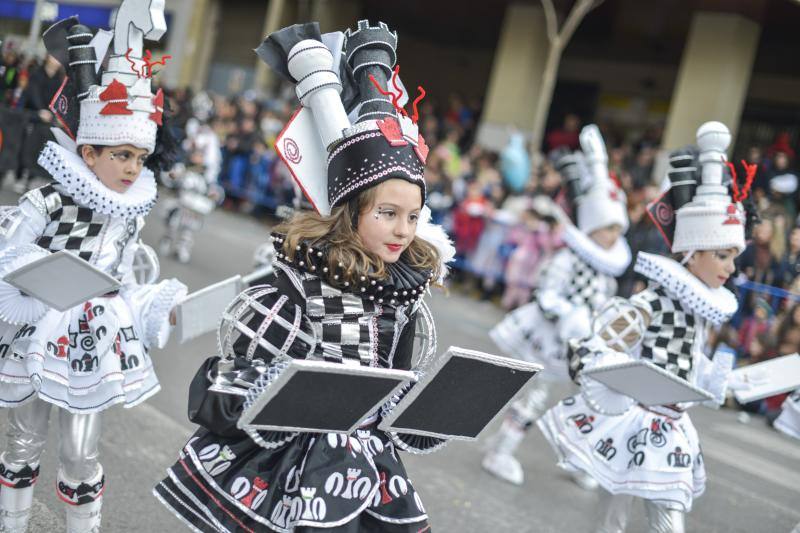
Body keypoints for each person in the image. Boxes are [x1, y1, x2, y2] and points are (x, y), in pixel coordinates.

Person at [154, 20, 456, 532]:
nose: (402, 230)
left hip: (363, 464)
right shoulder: (293, 287)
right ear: (349, 212)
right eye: (386, 213)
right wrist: (287, 392)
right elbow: (234, 383)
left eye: (412, 216)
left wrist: (436, 407)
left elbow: (393, 389)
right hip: (287, 463)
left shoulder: (403, 295)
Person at [0, 9, 186, 532]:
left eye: (139, 158)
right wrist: (37, 283)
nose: (132, 168)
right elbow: (8, 263)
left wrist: (156, 308)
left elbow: (126, 279)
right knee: (23, 440)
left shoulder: (129, 212)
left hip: (92, 341)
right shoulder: (47, 203)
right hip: (35, 330)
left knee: (81, 452)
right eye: (122, 155)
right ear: (88, 151)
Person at [537, 121, 756, 532]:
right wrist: (618, 382)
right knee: (614, 516)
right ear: (693, 253)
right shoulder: (652, 302)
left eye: (732, 257)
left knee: (664, 517)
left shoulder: (699, 310)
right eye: (723, 256)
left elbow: (689, 359)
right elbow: (596, 349)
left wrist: (712, 378)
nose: (730, 268)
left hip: (674, 426)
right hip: (638, 419)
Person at [482, 125, 631, 487]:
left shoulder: (606, 273)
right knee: (534, 396)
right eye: (607, 228)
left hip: (587, 347)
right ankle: (501, 450)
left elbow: (605, 305)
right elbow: (546, 294)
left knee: (591, 403)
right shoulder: (567, 259)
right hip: (551, 341)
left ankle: (581, 459)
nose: (613, 235)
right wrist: (569, 318)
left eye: (617, 228)